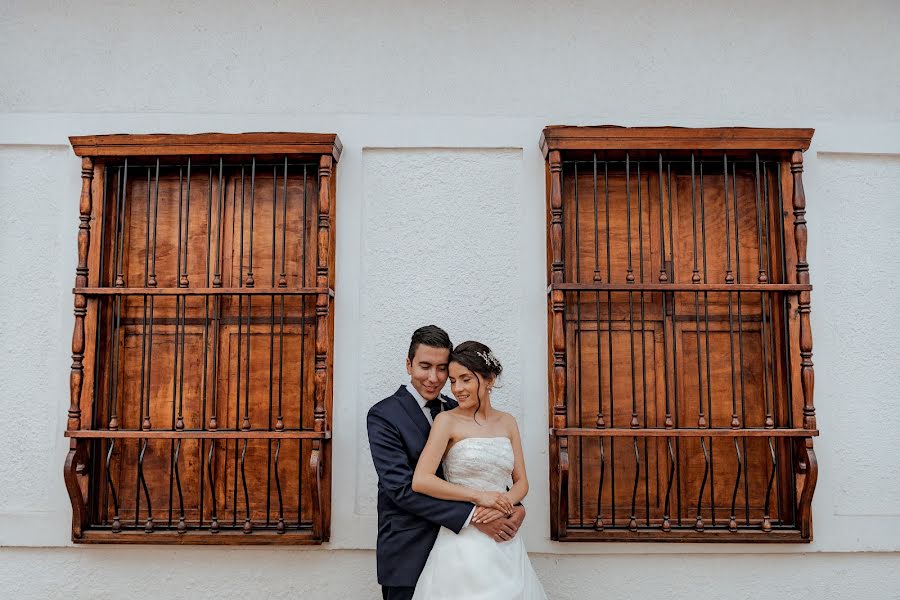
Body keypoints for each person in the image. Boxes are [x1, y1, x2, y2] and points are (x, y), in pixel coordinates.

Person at [367, 326, 527, 600]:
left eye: (442, 369)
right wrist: (473, 516)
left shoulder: (459, 408)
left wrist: (513, 507)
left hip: (474, 549)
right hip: (410, 548)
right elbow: (401, 489)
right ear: (408, 364)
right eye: (425, 366)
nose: (434, 378)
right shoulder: (384, 415)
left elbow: (481, 470)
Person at [410, 340, 547, 599]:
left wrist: (506, 505)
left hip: (505, 539)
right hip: (462, 542)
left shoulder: (508, 422)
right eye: (453, 381)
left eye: (465, 380)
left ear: (489, 380)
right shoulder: (446, 421)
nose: (457, 389)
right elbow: (422, 480)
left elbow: (521, 482)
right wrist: (479, 497)